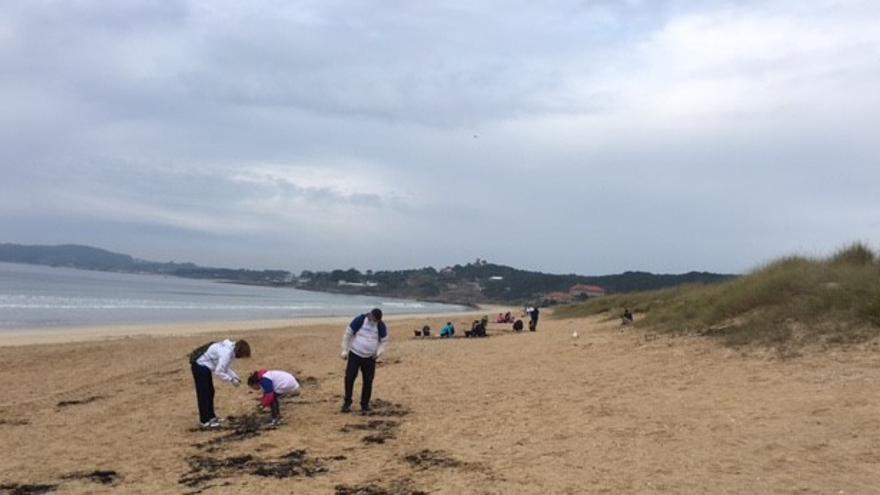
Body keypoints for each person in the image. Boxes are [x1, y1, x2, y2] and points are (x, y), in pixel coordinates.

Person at [189, 339, 251, 429]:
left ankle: (211, 417)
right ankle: (204, 421)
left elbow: (225, 367)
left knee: (210, 392)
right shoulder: (226, 353)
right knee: (204, 394)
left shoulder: (230, 349)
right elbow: (219, 371)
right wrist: (231, 380)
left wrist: (235, 377)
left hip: (205, 367)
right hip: (200, 366)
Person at [340, 308, 389, 414]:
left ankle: (365, 405)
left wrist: (379, 353)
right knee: (349, 377)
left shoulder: (380, 325)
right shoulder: (360, 320)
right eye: (373, 319)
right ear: (370, 315)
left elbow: (384, 341)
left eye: (376, 321)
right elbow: (348, 334)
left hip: (370, 357)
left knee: (368, 381)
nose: (374, 322)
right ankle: (347, 402)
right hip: (355, 354)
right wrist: (344, 350)